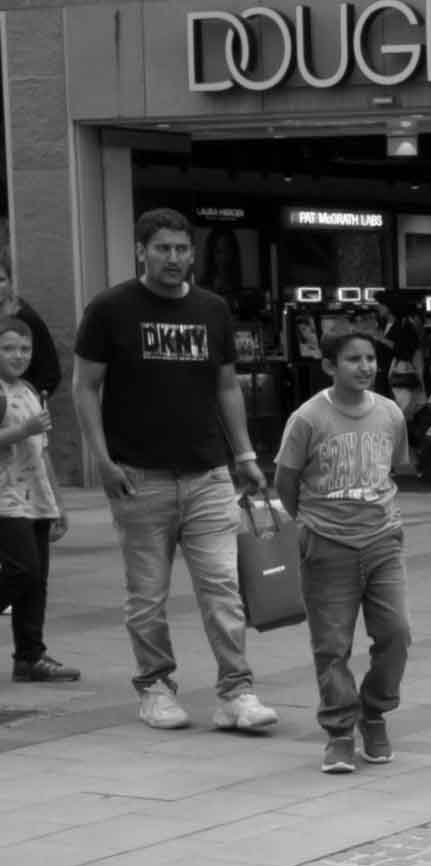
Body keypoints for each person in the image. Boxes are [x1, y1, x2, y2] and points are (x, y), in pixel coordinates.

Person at [73, 207, 278, 732]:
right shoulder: (110, 309)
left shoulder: (212, 309)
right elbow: (85, 387)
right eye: (162, 247)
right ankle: (156, 687)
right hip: (138, 475)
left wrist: (246, 455)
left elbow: (227, 386)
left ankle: (237, 692)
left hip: (208, 474)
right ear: (142, 249)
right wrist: (100, 459)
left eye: (182, 249)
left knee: (223, 589)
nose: (173, 258)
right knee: (147, 595)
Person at [273, 332, 412, 775]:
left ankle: (374, 712)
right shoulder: (307, 418)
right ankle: (338, 731)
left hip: (382, 540)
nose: (366, 367)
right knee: (331, 645)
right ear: (330, 366)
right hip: (326, 544)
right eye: (354, 359)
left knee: (395, 633)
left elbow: (394, 466)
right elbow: (285, 480)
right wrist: (310, 526)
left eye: (371, 358)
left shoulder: (390, 413)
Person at [0, 320, 77, 682]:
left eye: (25, 350)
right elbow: (23, 436)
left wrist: (58, 503)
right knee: (22, 571)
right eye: (8, 348)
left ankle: (30, 656)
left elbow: (42, 451)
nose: (18, 356)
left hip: (36, 499)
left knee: (37, 581)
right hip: (5, 500)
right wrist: (22, 430)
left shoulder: (30, 390)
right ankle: (30, 655)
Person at [0, 257, 62, 401]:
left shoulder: (26, 318)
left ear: (11, 282)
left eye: (1, 280)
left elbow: (50, 373)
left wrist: (27, 402)